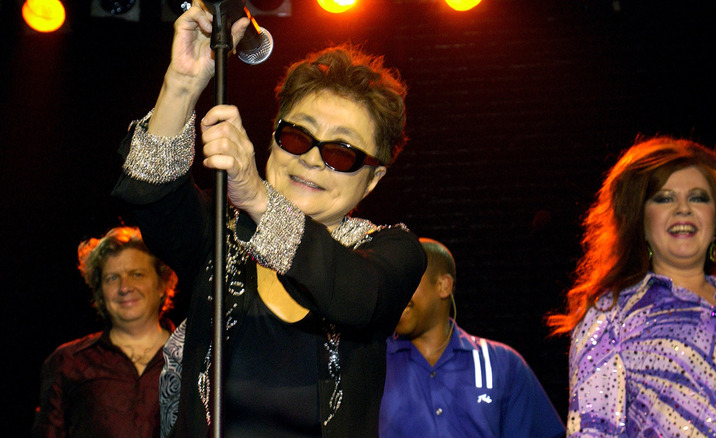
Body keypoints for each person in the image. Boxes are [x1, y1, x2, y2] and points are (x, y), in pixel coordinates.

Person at [110, 3, 427, 437]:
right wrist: (183, 83)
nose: (313, 160)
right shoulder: (219, 234)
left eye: (341, 153)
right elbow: (152, 195)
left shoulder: (392, 251)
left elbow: (358, 296)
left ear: (372, 180)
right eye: (297, 136)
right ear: (274, 139)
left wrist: (258, 198)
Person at [547, 136, 716, 436]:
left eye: (698, 197)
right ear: (639, 220)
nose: (683, 209)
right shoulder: (610, 318)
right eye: (664, 198)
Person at [380, 238, 565, 438]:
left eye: (407, 281)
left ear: (443, 285)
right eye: (393, 285)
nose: (396, 295)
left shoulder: (503, 364)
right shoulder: (373, 365)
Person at [32, 226, 177, 437]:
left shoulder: (193, 358)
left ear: (162, 283)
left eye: (137, 274)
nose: (124, 287)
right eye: (112, 278)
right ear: (100, 292)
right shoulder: (69, 362)